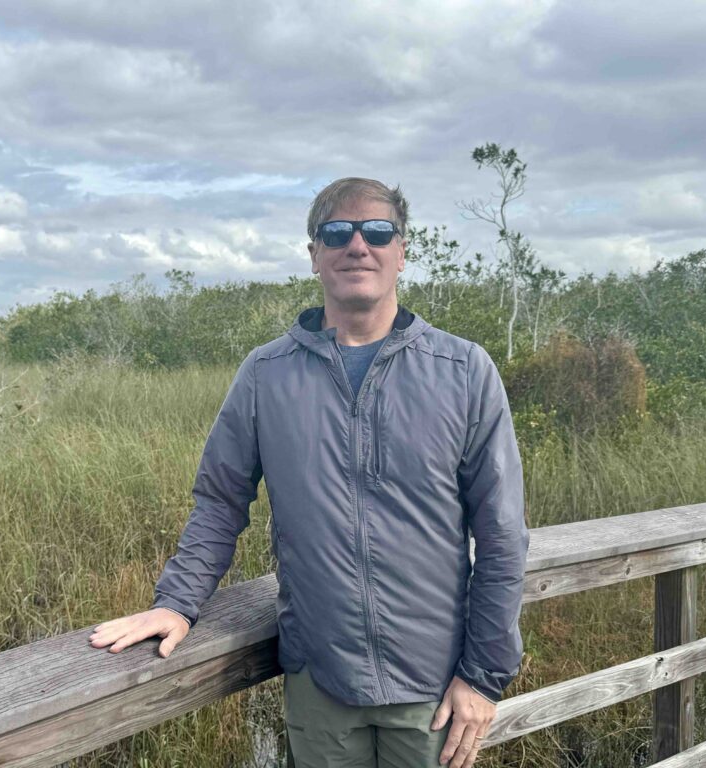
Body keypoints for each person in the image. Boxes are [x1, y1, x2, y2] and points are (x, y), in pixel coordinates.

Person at [89, 177, 530, 768]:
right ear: (315, 254)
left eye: (377, 231)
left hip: (436, 687)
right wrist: (177, 602)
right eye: (336, 232)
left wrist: (482, 676)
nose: (357, 245)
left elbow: (502, 535)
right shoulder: (267, 374)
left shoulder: (463, 370)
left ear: (402, 251)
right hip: (320, 681)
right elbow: (220, 500)